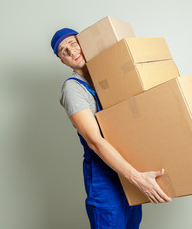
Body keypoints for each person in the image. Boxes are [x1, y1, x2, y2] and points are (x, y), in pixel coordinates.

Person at [51, 28, 171, 229]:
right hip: (105, 180)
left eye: (73, 43)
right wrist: (138, 179)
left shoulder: (108, 77)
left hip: (127, 171)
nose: (71, 52)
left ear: (83, 42)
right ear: (63, 62)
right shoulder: (73, 89)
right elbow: (94, 141)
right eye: (63, 51)